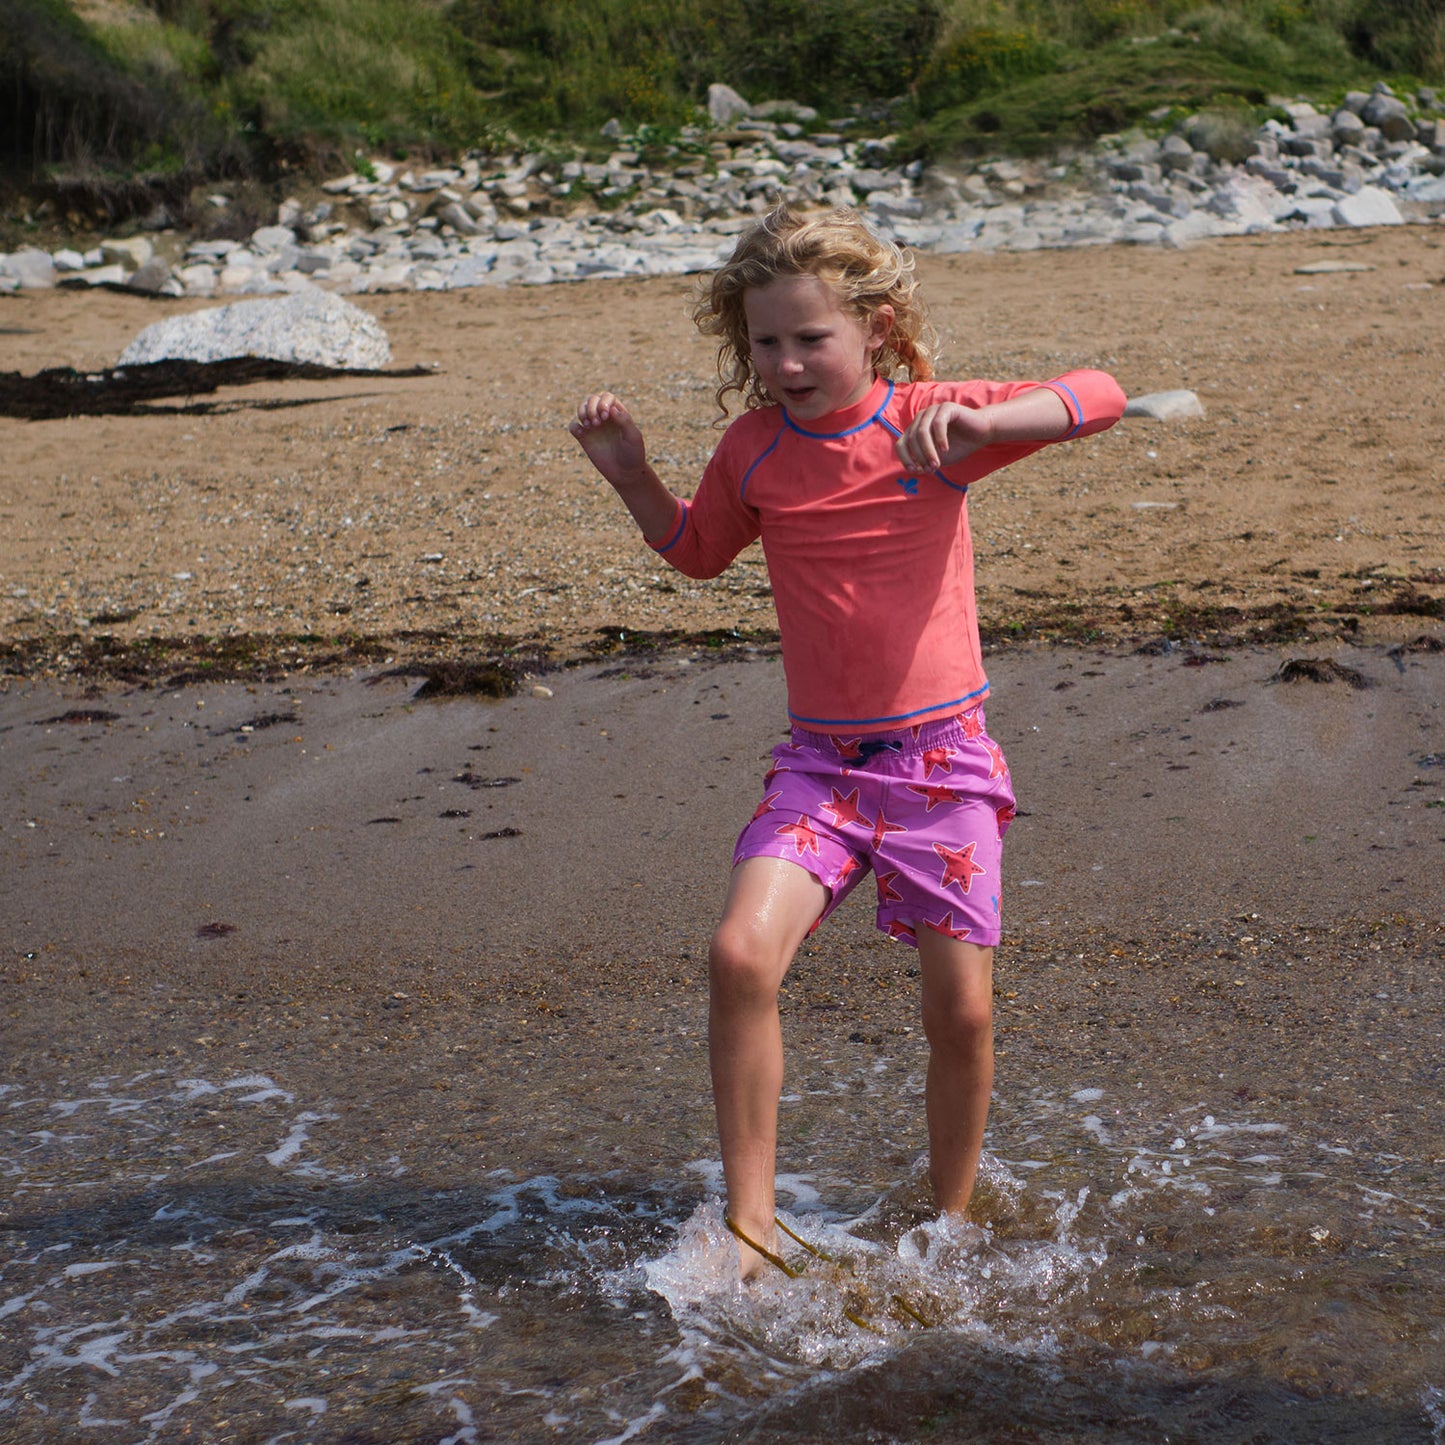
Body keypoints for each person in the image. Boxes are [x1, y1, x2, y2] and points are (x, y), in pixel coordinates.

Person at [569, 205, 1125, 1278]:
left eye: (808, 338)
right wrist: (629, 472)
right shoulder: (756, 449)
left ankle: (950, 1222)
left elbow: (1096, 394)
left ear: (873, 326)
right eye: (764, 342)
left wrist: (992, 424)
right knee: (737, 952)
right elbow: (695, 551)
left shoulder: (931, 423)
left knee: (958, 1010)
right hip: (821, 767)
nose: (783, 362)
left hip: (939, 765)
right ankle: (748, 1225)